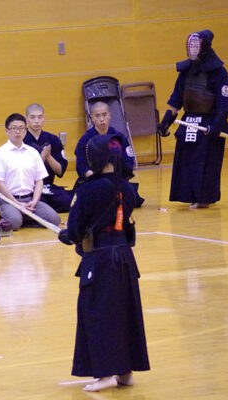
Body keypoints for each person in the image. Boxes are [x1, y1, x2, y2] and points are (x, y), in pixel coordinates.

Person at [58, 133, 150, 392]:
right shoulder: (128, 188)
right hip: (125, 258)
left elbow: (75, 230)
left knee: (98, 314)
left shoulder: (87, 190)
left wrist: (66, 235)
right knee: (125, 313)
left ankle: (105, 373)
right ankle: (125, 371)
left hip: (100, 261)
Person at [157, 29, 228, 209]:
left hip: (209, 122)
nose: (192, 49)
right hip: (189, 121)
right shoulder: (185, 71)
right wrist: (166, 120)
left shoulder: (219, 72)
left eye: (195, 45)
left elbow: (224, 104)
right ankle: (189, 195)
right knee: (186, 159)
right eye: (190, 45)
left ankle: (204, 197)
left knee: (205, 162)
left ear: (204, 47)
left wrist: (217, 125)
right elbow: (176, 98)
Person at [0, 113, 61, 231]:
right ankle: (17, 216)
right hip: (9, 200)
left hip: (30, 199)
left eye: (21, 128)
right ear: (7, 131)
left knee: (55, 220)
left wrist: (35, 200)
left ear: (25, 131)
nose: (18, 131)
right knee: (15, 223)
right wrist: (15, 202)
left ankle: (26, 216)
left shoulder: (32, 152)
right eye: (14, 128)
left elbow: (39, 180)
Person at [74, 101, 144, 207]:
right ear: (92, 118)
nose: (101, 119)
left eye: (104, 114)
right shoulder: (85, 140)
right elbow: (81, 166)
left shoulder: (119, 137)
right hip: (93, 180)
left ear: (109, 115)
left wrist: (115, 176)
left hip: (115, 179)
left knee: (131, 198)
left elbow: (128, 162)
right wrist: (95, 177)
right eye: (97, 116)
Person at [23, 104, 73, 213]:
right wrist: (40, 159)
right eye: (32, 117)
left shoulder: (53, 140)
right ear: (26, 119)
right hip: (28, 189)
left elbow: (60, 172)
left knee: (69, 201)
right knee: (34, 203)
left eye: (40, 117)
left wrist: (49, 157)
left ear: (44, 118)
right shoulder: (21, 141)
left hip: (48, 187)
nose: (37, 121)